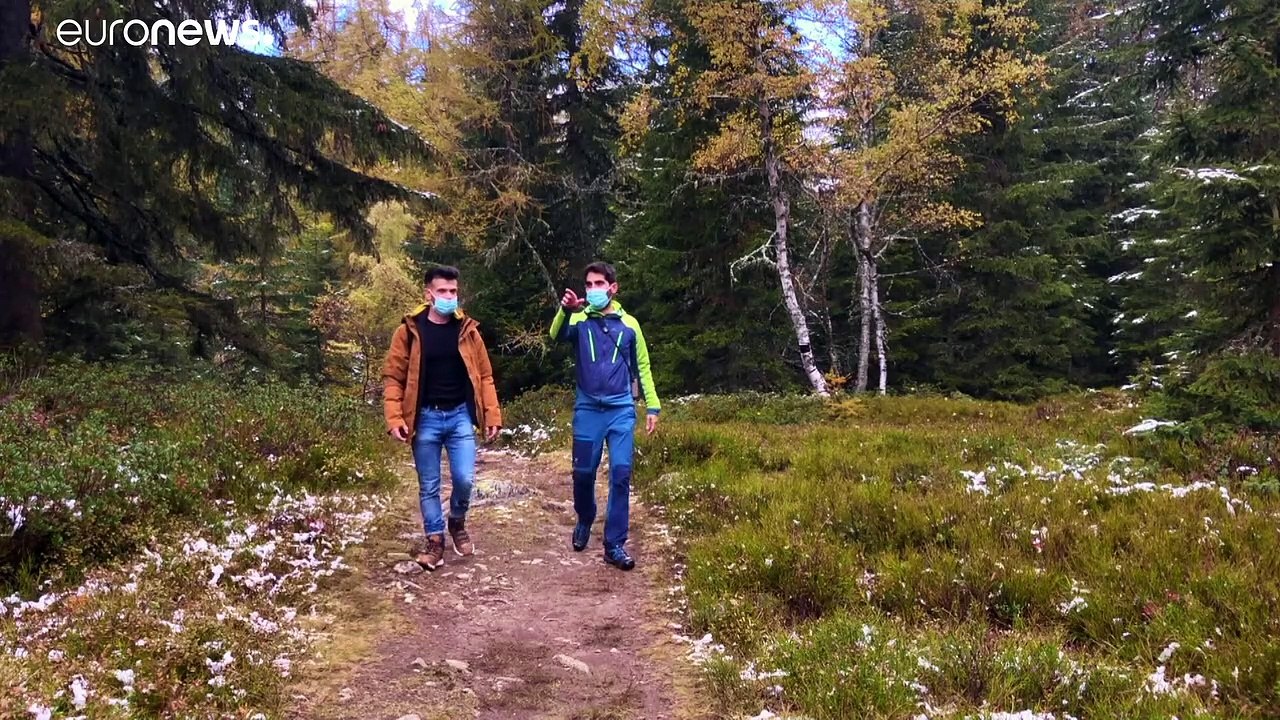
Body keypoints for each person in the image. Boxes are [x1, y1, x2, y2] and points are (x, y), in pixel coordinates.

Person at [382, 266, 502, 571]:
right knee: (429, 485)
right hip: (424, 419)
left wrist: (491, 414)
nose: (450, 297)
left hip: (460, 416)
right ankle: (435, 541)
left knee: (464, 479)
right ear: (429, 294)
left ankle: (457, 521)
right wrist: (395, 417)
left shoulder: (468, 331)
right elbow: (393, 378)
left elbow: (485, 376)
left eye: (454, 291)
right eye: (443, 291)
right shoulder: (409, 331)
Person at [549, 261, 660, 571]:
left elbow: (643, 367)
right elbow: (555, 335)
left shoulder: (630, 325)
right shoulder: (580, 319)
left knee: (621, 475)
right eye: (589, 284)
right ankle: (585, 517)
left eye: (599, 284)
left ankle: (614, 544)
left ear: (613, 287)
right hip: (588, 409)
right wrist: (566, 309)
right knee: (583, 473)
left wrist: (652, 406)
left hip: (621, 409)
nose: (593, 289)